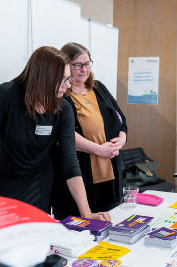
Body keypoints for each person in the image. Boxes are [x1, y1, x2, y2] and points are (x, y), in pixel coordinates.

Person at [0, 46, 109, 221]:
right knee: (9, 231)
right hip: (5, 179)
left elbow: (70, 161)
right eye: (63, 79)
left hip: (39, 180)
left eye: (69, 79)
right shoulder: (7, 94)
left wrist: (86, 212)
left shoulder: (63, 108)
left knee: (35, 230)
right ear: (45, 77)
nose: (68, 86)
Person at [50, 42, 127, 220]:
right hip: (79, 174)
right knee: (81, 224)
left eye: (87, 63)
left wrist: (122, 138)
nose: (84, 69)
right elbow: (63, 135)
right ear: (66, 66)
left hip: (109, 171)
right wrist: (98, 149)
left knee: (110, 220)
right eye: (78, 65)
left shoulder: (98, 87)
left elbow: (120, 119)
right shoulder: (61, 94)